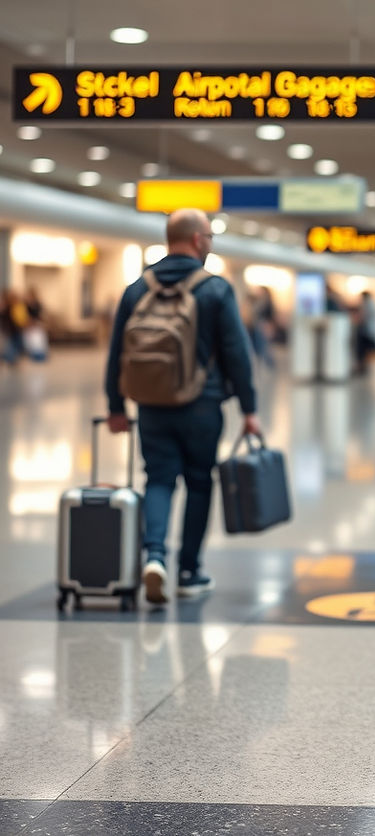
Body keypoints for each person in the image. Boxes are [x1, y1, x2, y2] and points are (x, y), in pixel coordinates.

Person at [104, 208, 262, 605]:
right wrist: (249, 408)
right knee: (197, 481)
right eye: (209, 237)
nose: (209, 243)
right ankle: (188, 571)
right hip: (202, 405)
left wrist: (115, 405)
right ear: (197, 240)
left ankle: (154, 555)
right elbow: (236, 354)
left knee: (157, 479)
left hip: (152, 405)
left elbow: (116, 352)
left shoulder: (139, 287)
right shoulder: (215, 289)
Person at [353, 290, 375, 376]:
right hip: (370, 331)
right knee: (366, 350)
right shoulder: (372, 303)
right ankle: (364, 367)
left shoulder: (366, 304)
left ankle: (363, 367)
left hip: (366, 331)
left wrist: (356, 320)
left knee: (363, 350)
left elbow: (363, 317)